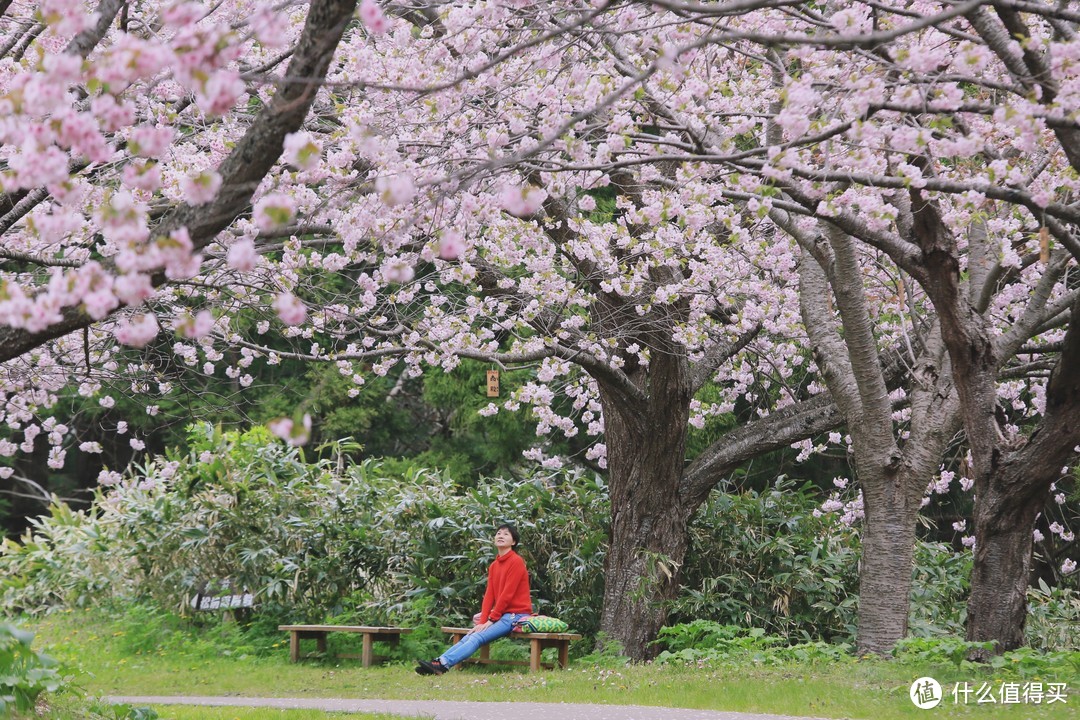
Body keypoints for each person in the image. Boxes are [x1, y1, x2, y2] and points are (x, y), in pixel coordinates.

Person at [415, 523, 532, 675]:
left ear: (513, 542)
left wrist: (491, 619)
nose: (501, 536)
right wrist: (483, 621)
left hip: (515, 615)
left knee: (477, 637)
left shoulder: (516, 562)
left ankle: (442, 664)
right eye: (498, 533)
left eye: (506, 534)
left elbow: (507, 595)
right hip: (503, 614)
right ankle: (438, 663)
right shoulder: (494, 565)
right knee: (471, 634)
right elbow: (489, 595)